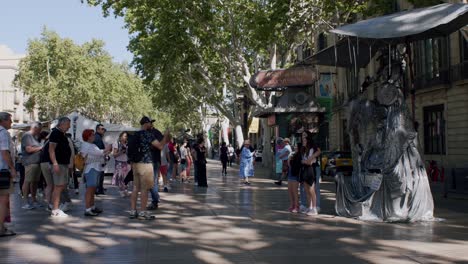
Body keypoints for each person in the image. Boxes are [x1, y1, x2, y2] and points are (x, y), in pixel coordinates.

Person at [128, 116, 169, 220]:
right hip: (146, 164)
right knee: (145, 189)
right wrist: (166, 136)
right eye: (150, 122)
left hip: (136, 164)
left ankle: (133, 211)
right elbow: (160, 146)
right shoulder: (147, 134)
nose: (151, 124)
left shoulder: (135, 134)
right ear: (146, 123)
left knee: (135, 188)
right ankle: (142, 212)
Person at [80, 129, 112, 216]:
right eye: (92, 135)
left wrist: (105, 152)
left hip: (94, 168)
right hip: (91, 168)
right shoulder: (87, 145)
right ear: (88, 136)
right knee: (90, 189)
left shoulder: (91, 145)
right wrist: (107, 149)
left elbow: (100, 154)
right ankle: (88, 208)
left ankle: (92, 206)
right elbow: (100, 153)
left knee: (92, 189)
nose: (94, 136)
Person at [49, 117, 72, 217]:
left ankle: (56, 208)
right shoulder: (55, 133)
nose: (69, 127)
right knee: (58, 187)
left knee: (61, 186)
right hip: (59, 164)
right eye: (68, 124)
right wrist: (55, 163)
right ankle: (55, 210)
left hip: (63, 164)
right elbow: (51, 149)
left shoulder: (61, 134)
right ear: (62, 124)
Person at [0, 112, 16, 237]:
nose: (11, 123)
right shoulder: (3, 133)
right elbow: (5, 152)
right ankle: (1, 228)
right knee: (3, 200)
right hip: (2, 171)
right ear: (3, 121)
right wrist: (12, 168)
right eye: (9, 120)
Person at [20, 122, 43, 209]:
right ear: (35, 128)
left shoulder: (35, 137)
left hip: (36, 162)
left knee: (34, 182)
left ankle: (34, 200)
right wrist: (41, 148)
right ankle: (26, 202)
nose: (40, 131)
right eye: (39, 129)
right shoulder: (27, 136)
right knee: (27, 181)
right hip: (30, 162)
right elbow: (28, 149)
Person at [300, 131, 321, 216]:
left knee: (312, 189)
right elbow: (303, 160)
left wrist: (308, 160)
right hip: (305, 169)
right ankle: (310, 207)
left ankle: (315, 207)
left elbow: (309, 162)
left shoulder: (313, 147)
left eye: (305, 137)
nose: (303, 138)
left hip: (311, 169)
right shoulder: (303, 149)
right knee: (306, 189)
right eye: (302, 136)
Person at [148, 125, 167, 210]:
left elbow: (161, 145)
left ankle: (155, 200)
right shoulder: (148, 133)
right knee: (151, 182)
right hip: (150, 160)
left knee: (152, 181)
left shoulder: (155, 132)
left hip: (154, 160)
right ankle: (155, 198)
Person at [112, 131, 130, 197]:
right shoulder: (116, 143)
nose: (126, 137)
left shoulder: (127, 143)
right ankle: (121, 191)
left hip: (126, 162)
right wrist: (121, 152)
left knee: (126, 177)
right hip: (119, 162)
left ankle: (125, 190)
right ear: (121, 136)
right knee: (120, 177)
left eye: (127, 136)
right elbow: (114, 155)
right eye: (125, 136)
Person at [288, 144, 302, 213]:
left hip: (295, 174)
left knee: (294, 191)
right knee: (290, 190)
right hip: (290, 174)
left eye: (297, 146)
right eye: (295, 146)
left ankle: (297, 206)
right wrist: (289, 159)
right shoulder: (292, 154)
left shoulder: (300, 155)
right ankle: (292, 204)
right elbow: (289, 164)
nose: (295, 147)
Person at [93, 124, 107, 195]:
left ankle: (99, 188)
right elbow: (99, 150)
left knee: (99, 174)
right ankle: (98, 189)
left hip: (97, 159)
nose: (103, 130)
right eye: (102, 129)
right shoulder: (97, 137)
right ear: (97, 129)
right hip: (98, 159)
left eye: (103, 129)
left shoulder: (98, 137)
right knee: (99, 174)